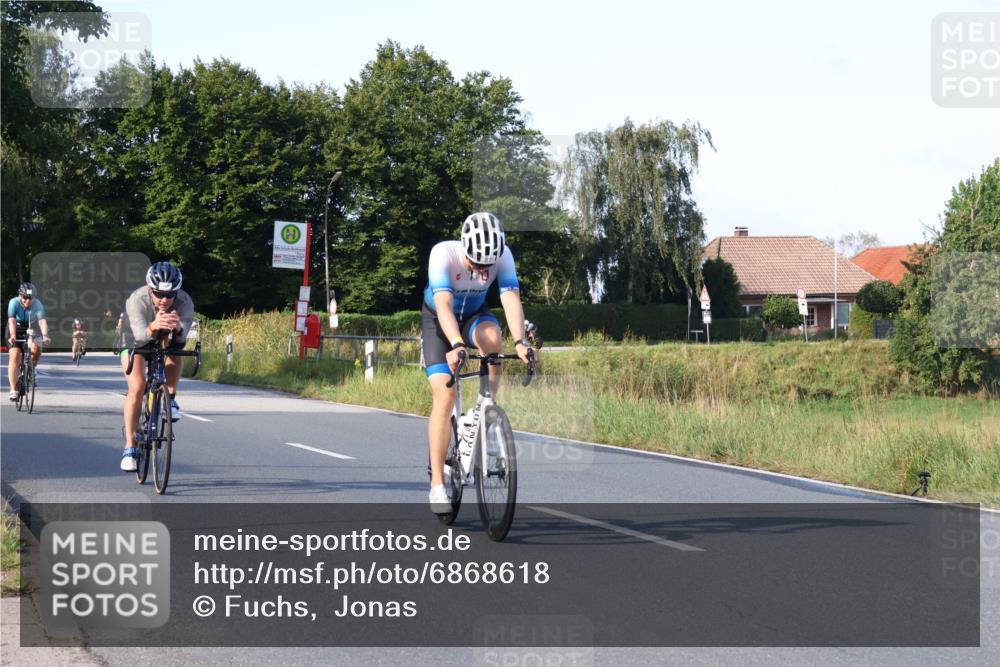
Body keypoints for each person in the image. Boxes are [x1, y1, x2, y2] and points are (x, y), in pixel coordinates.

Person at [421, 212, 537, 514]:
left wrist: (520, 343)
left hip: (474, 315)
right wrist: (456, 344)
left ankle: (486, 408)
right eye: (476, 264)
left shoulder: (504, 255)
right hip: (438, 322)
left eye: (488, 266)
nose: (483, 272)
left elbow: (510, 298)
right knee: (445, 395)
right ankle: (437, 484)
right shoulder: (442, 254)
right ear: (465, 248)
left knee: (493, 339)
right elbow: (444, 306)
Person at [119, 262, 194, 471]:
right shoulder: (137, 299)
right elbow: (139, 335)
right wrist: (153, 325)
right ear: (150, 289)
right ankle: (130, 446)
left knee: (175, 349)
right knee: (137, 386)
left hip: (163, 339)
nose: (164, 300)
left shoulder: (185, 301)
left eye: (170, 295)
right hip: (133, 340)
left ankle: (170, 398)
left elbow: (181, 340)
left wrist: (178, 329)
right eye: (159, 294)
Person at [6, 283, 50, 401]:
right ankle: (13, 390)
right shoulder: (13, 302)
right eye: (25, 298)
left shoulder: (37, 304)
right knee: (15, 355)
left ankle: (31, 367)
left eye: (30, 298)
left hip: (32, 326)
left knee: (38, 345)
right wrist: (13, 335)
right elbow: (11, 320)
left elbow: (42, 321)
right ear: (20, 295)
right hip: (16, 327)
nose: (28, 301)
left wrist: (45, 335)